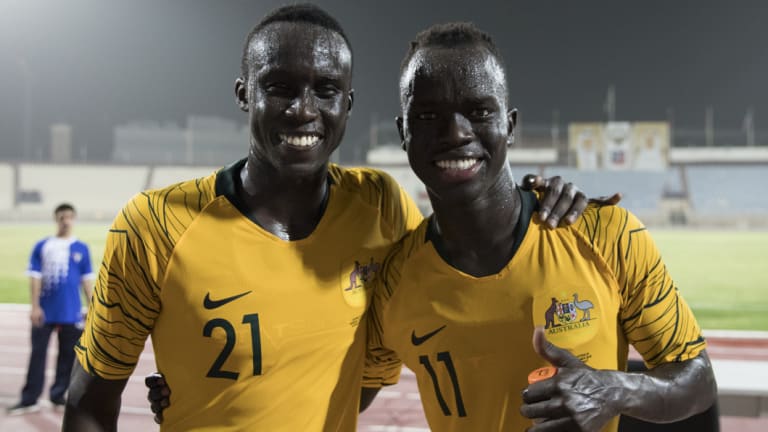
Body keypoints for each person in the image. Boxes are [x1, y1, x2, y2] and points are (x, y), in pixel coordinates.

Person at [65, 5, 591, 432]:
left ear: (348, 104)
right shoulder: (155, 225)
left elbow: (460, 255)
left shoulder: (380, 205)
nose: (303, 109)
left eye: (325, 90)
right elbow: (91, 400)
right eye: (280, 87)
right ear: (244, 93)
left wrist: (535, 197)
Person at [355, 23, 717, 431]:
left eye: (479, 111)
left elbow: (697, 379)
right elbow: (339, 392)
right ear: (404, 132)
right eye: (427, 115)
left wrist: (614, 391)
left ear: (510, 126)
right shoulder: (393, 283)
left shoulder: (607, 235)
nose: (456, 132)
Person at [6, 203, 93, 415]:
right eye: (62, 217)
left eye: (69, 217)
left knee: (67, 357)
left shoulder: (81, 248)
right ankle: (29, 398)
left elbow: (87, 281)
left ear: (74, 219)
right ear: (56, 219)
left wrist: (91, 307)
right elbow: (35, 278)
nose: (65, 220)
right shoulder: (43, 246)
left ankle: (58, 395)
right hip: (45, 311)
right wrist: (35, 306)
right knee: (38, 355)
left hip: (71, 312)